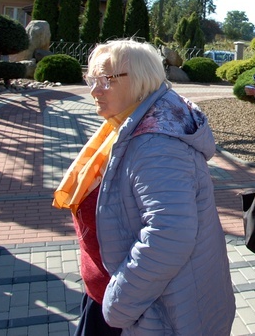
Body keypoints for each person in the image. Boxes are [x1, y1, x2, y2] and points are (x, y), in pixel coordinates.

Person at [53, 39, 234, 335]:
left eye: (105, 80)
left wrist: (119, 304)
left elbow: (169, 235)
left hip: (144, 310)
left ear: (139, 81)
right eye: (91, 79)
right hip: (125, 298)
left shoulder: (156, 144)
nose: (94, 90)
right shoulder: (128, 124)